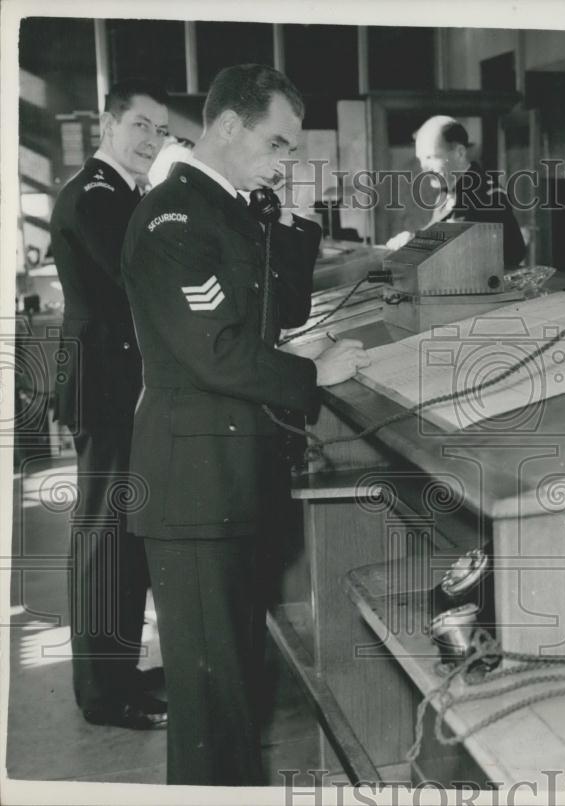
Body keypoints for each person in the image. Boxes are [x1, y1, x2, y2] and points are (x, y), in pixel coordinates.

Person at [121, 64, 368, 786]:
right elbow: (218, 351)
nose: (287, 158)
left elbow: (280, 313)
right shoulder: (173, 217)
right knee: (210, 710)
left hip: (229, 481)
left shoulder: (230, 208)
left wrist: (287, 217)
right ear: (227, 126)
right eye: (279, 142)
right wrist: (313, 374)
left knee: (236, 693)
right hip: (192, 488)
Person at [49, 78, 170, 731]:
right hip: (106, 385)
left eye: (161, 130)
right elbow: (143, 278)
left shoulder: (124, 193)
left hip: (121, 383)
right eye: (140, 126)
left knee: (124, 536)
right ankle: (103, 692)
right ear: (109, 124)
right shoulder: (98, 196)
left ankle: (117, 672)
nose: (152, 139)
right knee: (106, 538)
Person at [386, 115, 526, 268]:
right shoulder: (448, 189)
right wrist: (411, 240)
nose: (424, 168)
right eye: (421, 159)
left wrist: (416, 243)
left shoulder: (483, 193)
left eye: (431, 157)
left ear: (459, 153)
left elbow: (469, 250)